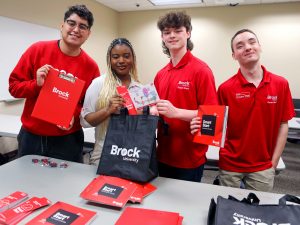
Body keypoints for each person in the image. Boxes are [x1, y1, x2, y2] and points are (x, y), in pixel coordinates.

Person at [191, 29, 295, 191]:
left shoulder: (281, 84)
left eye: (252, 42)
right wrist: (198, 124)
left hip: (264, 166)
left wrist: (273, 163)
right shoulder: (225, 88)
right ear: (234, 55)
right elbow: (214, 128)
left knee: (257, 213)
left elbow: (283, 124)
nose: (247, 47)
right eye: (240, 46)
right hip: (230, 166)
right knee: (229, 209)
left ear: (260, 46)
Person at [9, 5, 100, 162]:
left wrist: (73, 116)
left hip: (68, 141)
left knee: (65, 186)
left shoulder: (91, 67)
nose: (76, 29)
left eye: (82, 26)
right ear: (62, 25)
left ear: (88, 34)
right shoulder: (37, 50)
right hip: (31, 138)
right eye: (71, 23)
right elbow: (14, 87)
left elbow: (88, 107)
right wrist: (36, 84)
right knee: (27, 184)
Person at [154, 11, 218, 182]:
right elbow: (159, 110)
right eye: (167, 32)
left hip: (189, 158)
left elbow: (213, 117)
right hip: (163, 153)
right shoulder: (161, 74)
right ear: (162, 37)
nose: (172, 36)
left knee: (185, 208)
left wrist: (176, 113)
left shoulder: (201, 70)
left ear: (188, 33)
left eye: (177, 30)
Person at [80, 38, 141, 165]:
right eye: (115, 57)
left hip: (132, 154)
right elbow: (85, 122)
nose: (121, 61)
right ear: (110, 59)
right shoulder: (98, 84)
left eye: (126, 56)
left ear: (133, 58)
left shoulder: (139, 89)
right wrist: (107, 110)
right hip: (103, 154)